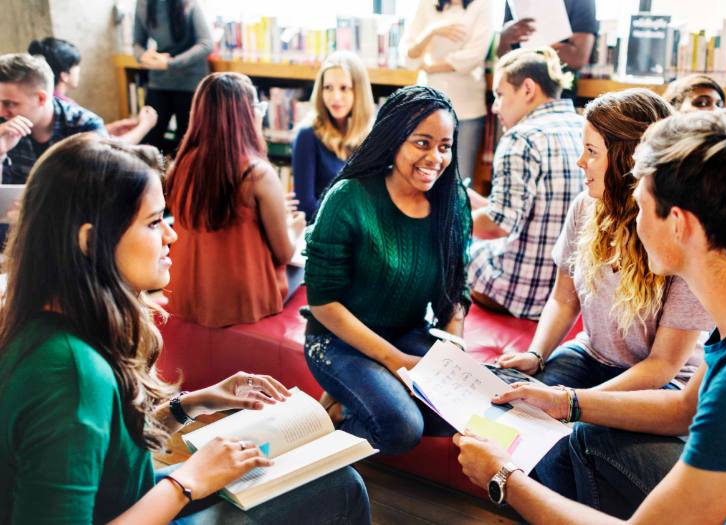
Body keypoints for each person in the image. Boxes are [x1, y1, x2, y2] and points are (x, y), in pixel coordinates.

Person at [453, 111, 726, 524]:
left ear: (679, 224)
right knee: (586, 431)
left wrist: (504, 477)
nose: (633, 221)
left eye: (640, 206)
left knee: (568, 450)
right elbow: (682, 410)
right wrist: (565, 402)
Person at [0, 133, 371, 525]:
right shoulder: (67, 373)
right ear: (90, 242)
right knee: (342, 487)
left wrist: (196, 403)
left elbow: (112, 456)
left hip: (130, 502)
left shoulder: (53, 326)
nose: (170, 235)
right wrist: (188, 481)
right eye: (154, 221)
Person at [498, 88, 711, 391]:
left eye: (592, 151)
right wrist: (536, 354)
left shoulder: (681, 232)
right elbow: (563, 300)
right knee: (519, 402)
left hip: (662, 382)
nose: (580, 162)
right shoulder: (585, 206)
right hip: (591, 356)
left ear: (628, 159)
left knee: (585, 432)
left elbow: (662, 365)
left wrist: (573, 403)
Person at [303, 86, 471, 455]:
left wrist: (453, 353)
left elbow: (457, 291)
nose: (435, 158)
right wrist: (397, 363)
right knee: (402, 427)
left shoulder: (452, 201)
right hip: (335, 340)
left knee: (456, 413)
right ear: (394, 139)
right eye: (422, 143)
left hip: (406, 333)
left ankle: (351, 397)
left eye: (445, 146)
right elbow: (322, 301)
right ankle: (323, 424)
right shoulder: (349, 197)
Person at [165, 72, 304, 327]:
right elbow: (284, 253)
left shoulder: (181, 165)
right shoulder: (257, 173)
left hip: (185, 293)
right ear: (247, 114)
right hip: (243, 300)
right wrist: (295, 225)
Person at [468, 47, 582, 320]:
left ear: (528, 89)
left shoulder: (521, 138)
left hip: (521, 294)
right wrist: (470, 200)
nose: (495, 107)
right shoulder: (585, 127)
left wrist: (445, 217)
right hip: (571, 297)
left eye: (499, 94)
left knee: (452, 243)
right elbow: (528, 212)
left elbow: (498, 225)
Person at [402, 0, 495, 183]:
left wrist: (432, 66)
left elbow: (474, 56)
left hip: (466, 108)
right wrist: (432, 31)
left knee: (459, 179)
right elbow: (407, 56)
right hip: (427, 104)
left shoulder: (483, 5)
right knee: (421, 173)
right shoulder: (426, 4)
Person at [27, 37, 159, 145]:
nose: (78, 70)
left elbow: (76, 138)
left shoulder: (43, 104)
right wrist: (145, 125)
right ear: (64, 75)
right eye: (76, 66)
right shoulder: (67, 110)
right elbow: (109, 150)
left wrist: (106, 129)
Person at [292, 51, 375, 220]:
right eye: (328, 88)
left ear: (358, 92)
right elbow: (305, 206)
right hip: (324, 237)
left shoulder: (371, 136)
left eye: (344, 88)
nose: (335, 97)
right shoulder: (307, 135)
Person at [0, 53, 104, 184]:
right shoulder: (3, 126)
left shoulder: (85, 127)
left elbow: (99, 190)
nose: (1, 112)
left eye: (9, 103)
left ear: (41, 98)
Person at [133, 0, 212, 155]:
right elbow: (137, 43)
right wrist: (143, 56)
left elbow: (206, 44)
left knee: (188, 143)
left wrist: (171, 64)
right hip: (158, 81)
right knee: (149, 139)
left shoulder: (190, 4)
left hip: (190, 81)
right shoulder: (142, 4)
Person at [496, 0, 597, 72]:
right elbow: (501, 55)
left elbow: (578, 59)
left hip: (555, 88)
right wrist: (504, 38)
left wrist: (536, 42)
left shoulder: (583, 2)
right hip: (516, 84)